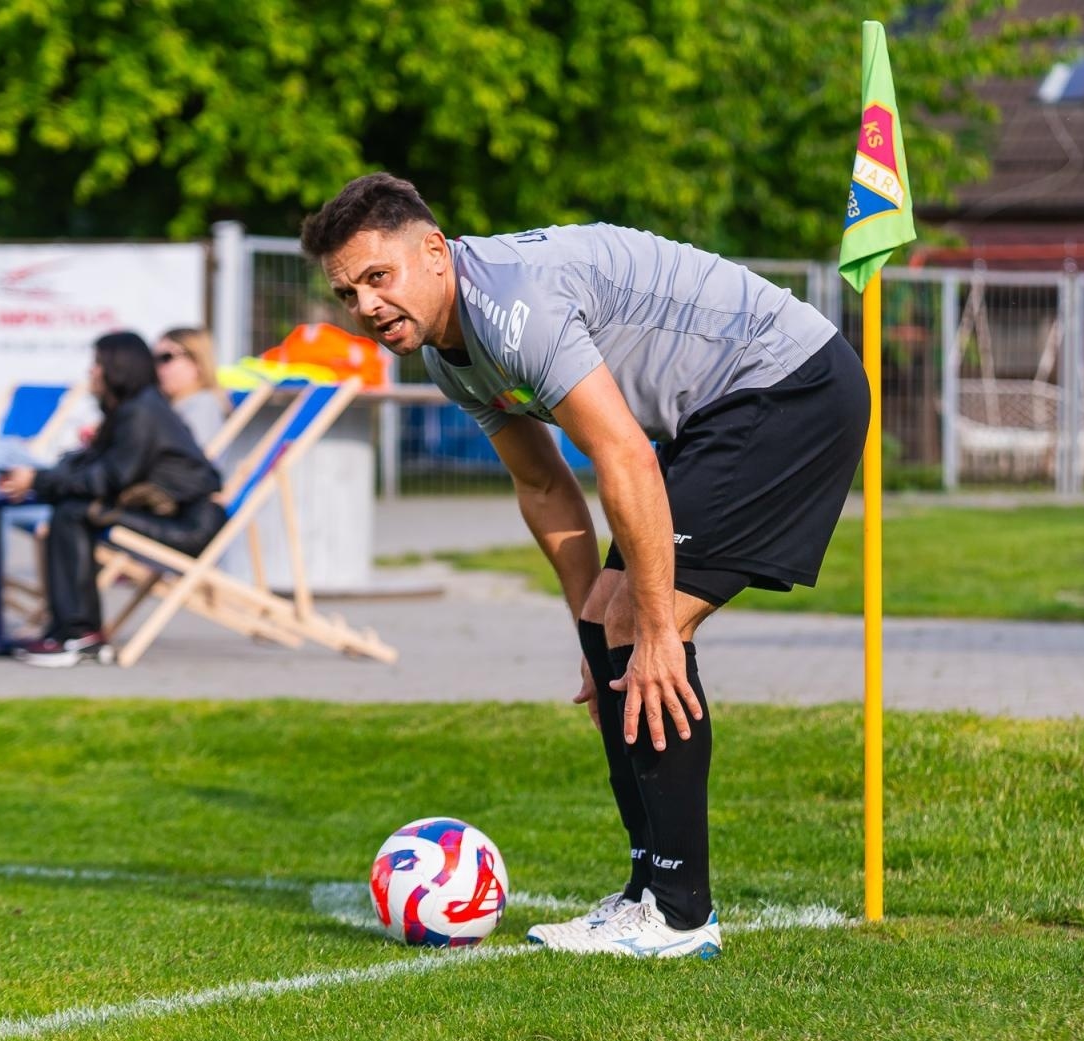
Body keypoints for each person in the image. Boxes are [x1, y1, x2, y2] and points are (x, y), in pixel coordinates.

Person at [301, 174, 870, 959]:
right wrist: (592, 636)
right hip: (715, 415)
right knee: (615, 626)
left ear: (434, 252)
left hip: (788, 387)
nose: (365, 306)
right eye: (347, 293)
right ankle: (647, 893)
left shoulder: (510, 307)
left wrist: (659, 630)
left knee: (642, 622)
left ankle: (678, 914)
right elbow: (542, 484)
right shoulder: (448, 355)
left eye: (377, 277)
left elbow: (621, 453)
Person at [0, 331, 225, 667]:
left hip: (190, 526)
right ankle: (71, 632)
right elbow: (96, 467)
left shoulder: (142, 412)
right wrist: (42, 478)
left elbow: (109, 479)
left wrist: (37, 480)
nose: (91, 372)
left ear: (118, 368)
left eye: (98, 364)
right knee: (73, 508)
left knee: (76, 511)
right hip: (171, 516)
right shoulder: (133, 408)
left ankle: (79, 635)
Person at [154, 327, 232, 446]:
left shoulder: (203, 404)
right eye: (154, 359)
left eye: (166, 357)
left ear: (197, 362)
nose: (157, 367)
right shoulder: (182, 405)